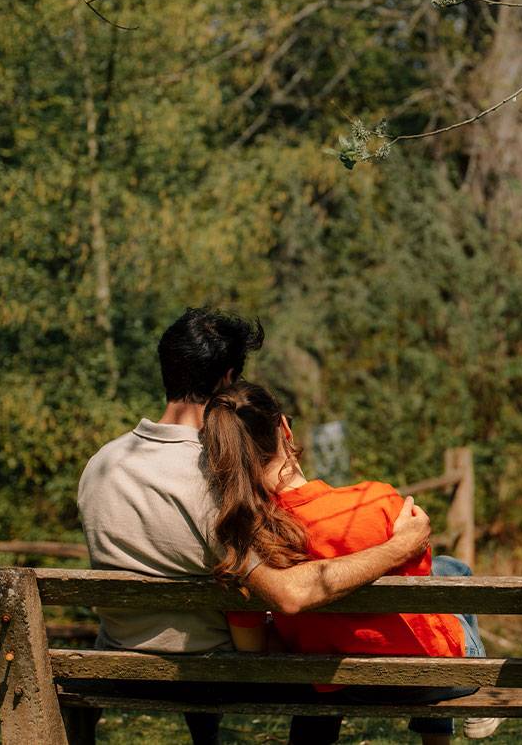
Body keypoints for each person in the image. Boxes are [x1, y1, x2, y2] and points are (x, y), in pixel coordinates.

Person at [75, 308, 433, 745]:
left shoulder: (103, 464)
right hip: (210, 670)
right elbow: (290, 593)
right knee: (319, 638)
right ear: (228, 381)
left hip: (116, 661)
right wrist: (401, 547)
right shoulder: (216, 477)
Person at [202, 379, 503, 744]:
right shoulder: (379, 502)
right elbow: (422, 589)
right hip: (425, 678)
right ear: (284, 428)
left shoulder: (246, 538)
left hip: (333, 683)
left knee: (448, 571)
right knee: (452, 572)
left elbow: (251, 647)